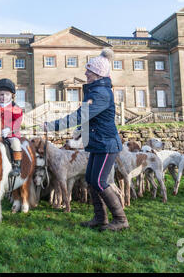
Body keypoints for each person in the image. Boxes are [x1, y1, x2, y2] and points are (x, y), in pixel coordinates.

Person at [43, 48, 129, 231]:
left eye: (88, 71)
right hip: (97, 143)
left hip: (107, 144)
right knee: (91, 180)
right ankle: (100, 218)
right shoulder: (95, 92)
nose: (85, 73)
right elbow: (89, 118)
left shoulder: (101, 94)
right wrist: (80, 130)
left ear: (97, 74)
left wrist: (51, 126)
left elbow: (79, 115)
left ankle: (121, 219)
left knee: (99, 181)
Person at [0, 78, 23, 177]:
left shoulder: (16, 108)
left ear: (12, 95)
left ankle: (17, 166)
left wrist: (8, 130)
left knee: (15, 143)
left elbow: (17, 123)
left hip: (11, 134)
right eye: (1, 94)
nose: (4, 97)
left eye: (7, 94)